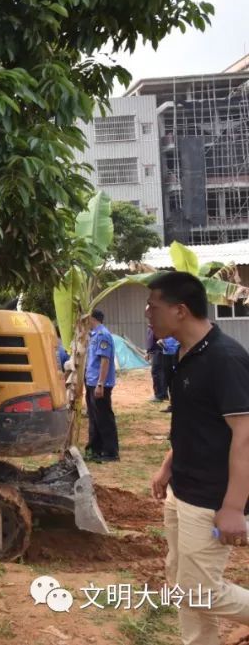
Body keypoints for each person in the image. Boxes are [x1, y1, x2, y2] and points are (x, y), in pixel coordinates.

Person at [146, 272, 249, 645]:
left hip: (210, 497)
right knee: (181, 581)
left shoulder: (225, 359)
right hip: (182, 489)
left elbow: (245, 437)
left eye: (153, 306)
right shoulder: (184, 354)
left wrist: (233, 507)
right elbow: (197, 422)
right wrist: (167, 467)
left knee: (198, 590)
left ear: (180, 310)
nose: (148, 314)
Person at [84, 309, 119, 462]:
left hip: (99, 383)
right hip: (91, 381)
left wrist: (100, 384)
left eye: (86, 319)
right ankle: (95, 449)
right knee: (94, 417)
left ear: (92, 318)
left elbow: (105, 361)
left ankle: (111, 452)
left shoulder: (102, 335)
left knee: (104, 417)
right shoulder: (93, 335)